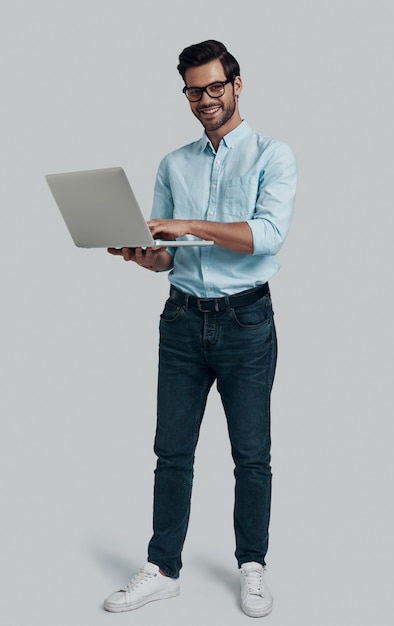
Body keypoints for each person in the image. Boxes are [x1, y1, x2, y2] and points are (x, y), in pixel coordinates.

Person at [104, 39, 297, 619]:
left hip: (246, 319)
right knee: (172, 452)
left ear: (237, 85)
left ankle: (252, 566)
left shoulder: (273, 154)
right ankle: (163, 569)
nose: (205, 99)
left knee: (252, 455)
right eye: (194, 90)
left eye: (215, 86)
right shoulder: (173, 163)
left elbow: (266, 235)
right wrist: (145, 256)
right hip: (183, 317)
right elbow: (170, 254)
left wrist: (187, 222)